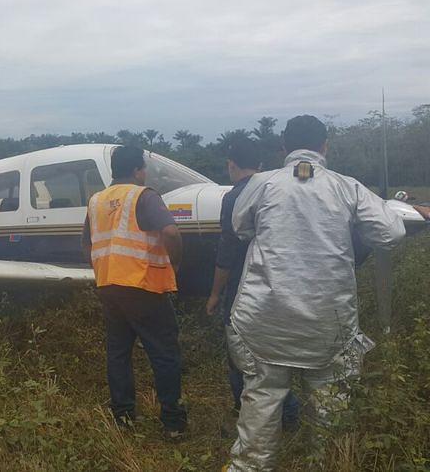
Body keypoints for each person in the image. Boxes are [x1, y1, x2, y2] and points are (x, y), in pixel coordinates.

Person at [224, 116, 405, 471]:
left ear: (283, 148)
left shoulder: (261, 184)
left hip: (264, 321)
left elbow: (240, 227)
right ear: (325, 146)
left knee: (260, 403)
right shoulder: (347, 187)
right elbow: (391, 234)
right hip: (328, 326)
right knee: (330, 414)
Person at [82, 145, 187, 438]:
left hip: (109, 286)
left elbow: (87, 245)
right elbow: (170, 232)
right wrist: (174, 264)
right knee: (164, 352)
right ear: (138, 170)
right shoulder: (144, 195)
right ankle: (173, 422)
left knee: (118, 352)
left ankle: (123, 417)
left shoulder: (96, 200)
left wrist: (103, 270)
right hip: (143, 286)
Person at [205, 138, 299, 434]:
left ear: (231, 165)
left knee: (240, 356)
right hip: (280, 285)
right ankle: (288, 414)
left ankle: (248, 417)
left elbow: (227, 252)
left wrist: (215, 293)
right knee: (277, 352)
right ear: (260, 165)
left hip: (242, 289)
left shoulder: (234, 198)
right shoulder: (279, 189)